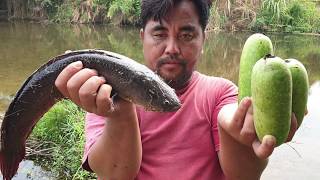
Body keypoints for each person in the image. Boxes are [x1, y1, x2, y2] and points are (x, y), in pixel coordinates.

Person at [55, 0, 298, 179]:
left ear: (203, 40)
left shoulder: (220, 93)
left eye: (186, 34)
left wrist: (234, 130)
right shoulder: (107, 91)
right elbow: (115, 175)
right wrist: (118, 112)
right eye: (160, 33)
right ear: (143, 38)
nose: (172, 47)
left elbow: (242, 175)